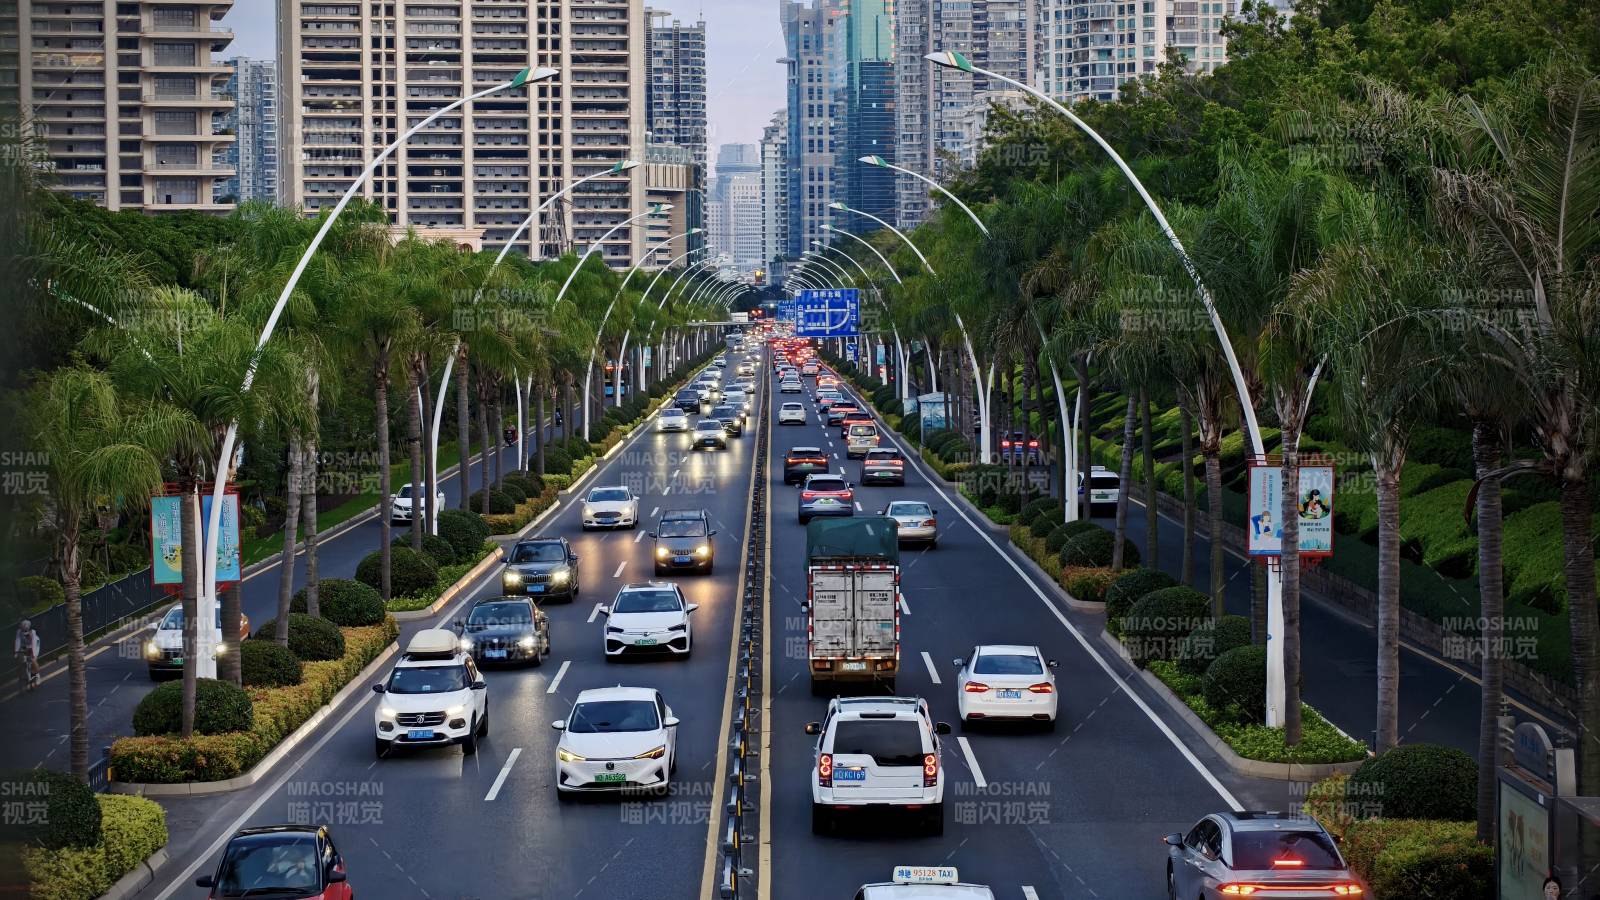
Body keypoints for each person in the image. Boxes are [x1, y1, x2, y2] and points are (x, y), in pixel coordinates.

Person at [14, 619, 40, 691]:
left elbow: (34, 643)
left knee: (33, 660)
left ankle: (37, 675)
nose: (20, 627)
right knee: (22, 659)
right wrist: (16, 652)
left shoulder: (32, 632)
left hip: (34, 644)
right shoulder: (19, 631)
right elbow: (18, 641)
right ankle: (25, 676)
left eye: (21, 626)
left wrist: (34, 655)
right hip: (25, 645)